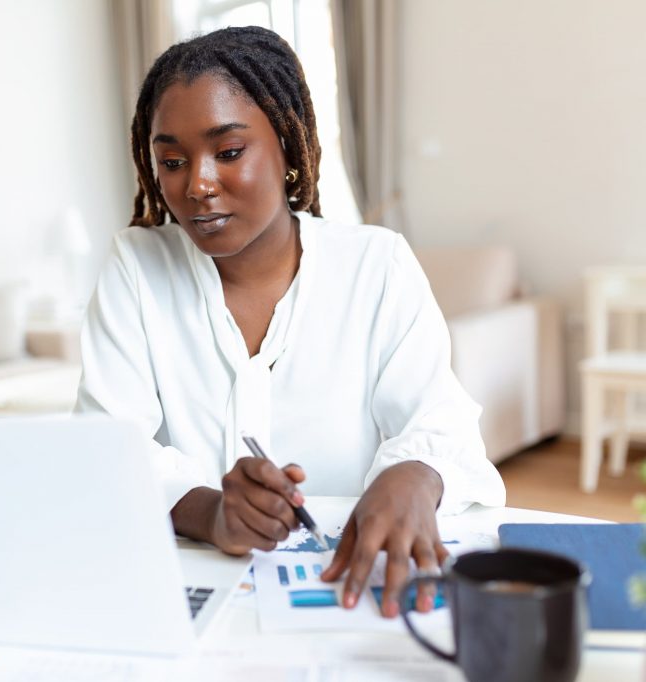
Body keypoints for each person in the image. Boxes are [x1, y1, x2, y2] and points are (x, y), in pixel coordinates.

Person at [74, 26, 505, 619]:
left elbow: (441, 423)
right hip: (187, 597)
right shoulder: (136, 267)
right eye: (171, 161)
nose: (197, 184)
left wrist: (414, 474)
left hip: (343, 595)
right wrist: (212, 513)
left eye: (229, 152)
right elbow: (106, 447)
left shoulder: (376, 265)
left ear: (287, 145)